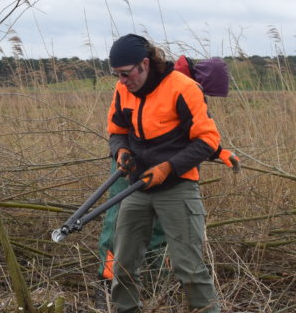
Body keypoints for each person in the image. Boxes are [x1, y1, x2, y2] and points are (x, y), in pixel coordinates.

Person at [106, 34, 230, 313]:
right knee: (123, 263)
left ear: (145, 64)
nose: (122, 81)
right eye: (116, 75)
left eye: (126, 74)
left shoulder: (183, 88)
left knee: (188, 267)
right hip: (137, 185)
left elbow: (208, 142)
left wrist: (167, 168)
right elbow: (117, 132)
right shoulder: (123, 91)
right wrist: (120, 153)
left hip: (177, 187)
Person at [96, 53, 232, 282]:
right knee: (118, 222)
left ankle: (153, 279)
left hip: (162, 171)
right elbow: (126, 130)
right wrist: (123, 153)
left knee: (158, 228)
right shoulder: (170, 86)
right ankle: (108, 280)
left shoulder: (184, 89)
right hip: (129, 163)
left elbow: (190, 134)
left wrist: (217, 151)